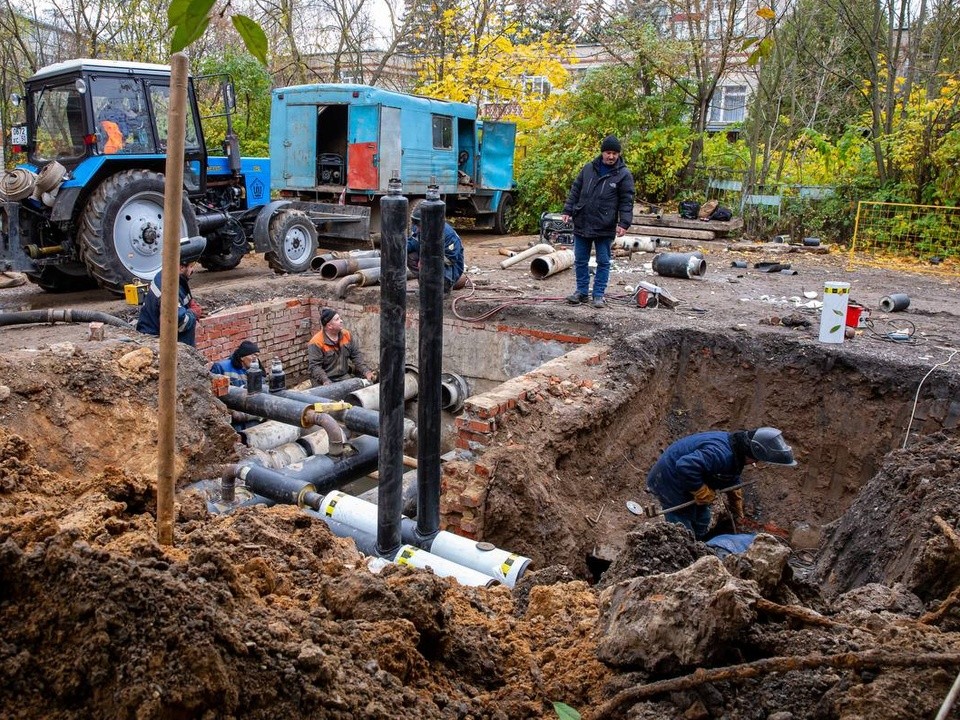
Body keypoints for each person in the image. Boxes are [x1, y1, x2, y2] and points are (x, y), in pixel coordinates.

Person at [645, 427, 798, 540]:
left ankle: (699, 542)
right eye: (759, 460)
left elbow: (727, 473)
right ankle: (683, 550)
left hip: (689, 477)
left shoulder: (737, 448)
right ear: (754, 454)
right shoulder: (721, 453)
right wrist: (701, 491)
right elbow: (685, 466)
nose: (758, 463)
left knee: (703, 518)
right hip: (669, 478)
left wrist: (735, 501)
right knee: (682, 524)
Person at [561, 135, 635, 309]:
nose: (611, 157)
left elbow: (627, 200)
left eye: (615, 153)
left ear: (619, 154)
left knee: (603, 261)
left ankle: (598, 294)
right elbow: (575, 190)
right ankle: (581, 292)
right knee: (580, 260)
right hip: (583, 221)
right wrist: (567, 210)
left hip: (605, 225)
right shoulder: (588, 169)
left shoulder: (623, 175)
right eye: (608, 153)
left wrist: (624, 223)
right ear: (602, 153)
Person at [136, 244, 204, 347]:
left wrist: (189, 303)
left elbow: (180, 302)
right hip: (161, 344)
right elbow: (179, 324)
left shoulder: (169, 276)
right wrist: (193, 313)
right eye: (190, 266)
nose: (192, 270)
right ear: (181, 267)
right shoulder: (168, 288)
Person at [307, 307, 375, 386]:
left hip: (342, 376)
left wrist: (366, 371)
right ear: (329, 326)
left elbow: (356, 355)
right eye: (337, 319)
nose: (341, 321)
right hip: (323, 380)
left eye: (340, 318)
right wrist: (325, 381)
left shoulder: (346, 335)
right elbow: (315, 366)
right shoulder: (316, 342)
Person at [406, 206, 465, 292]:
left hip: (449, 268)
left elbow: (450, 259)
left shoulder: (447, 234)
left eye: (420, 226)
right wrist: (398, 248)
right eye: (416, 226)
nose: (417, 230)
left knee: (439, 265)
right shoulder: (418, 228)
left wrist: (426, 259)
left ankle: (444, 287)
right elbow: (412, 243)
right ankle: (425, 282)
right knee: (408, 255)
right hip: (429, 261)